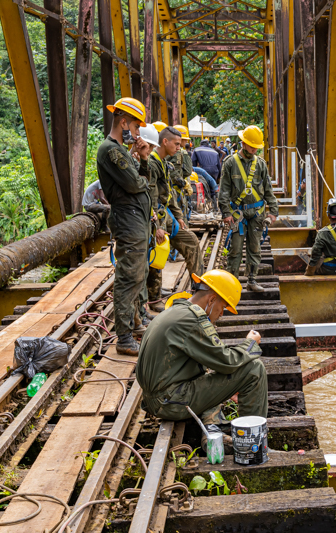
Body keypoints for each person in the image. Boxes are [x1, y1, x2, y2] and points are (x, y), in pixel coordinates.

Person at [137, 270, 268, 432]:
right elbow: (226, 362)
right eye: (223, 307)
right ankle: (252, 439)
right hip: (169, 402)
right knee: (254, 369)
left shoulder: (176, 310)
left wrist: (227, 388)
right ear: (212, 299)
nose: (221, 314)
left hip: (157, 400)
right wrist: (250, 344)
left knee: (243, 370)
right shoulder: (193, 319)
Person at [97, 97, 154, 355]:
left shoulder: (124, 151)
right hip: (128, 219)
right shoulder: (112, 150)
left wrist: (142, 158)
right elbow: (134, 184)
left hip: (137, 219)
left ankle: (137, 321)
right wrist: (140, 179)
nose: (138, 132)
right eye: (136, 126)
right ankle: (123, 338)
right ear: (123, 122)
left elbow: (141, 178)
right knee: (128, 277)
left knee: (139, 274)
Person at [145, 125, 205, 312]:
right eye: (177, 144)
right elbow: (151, 200)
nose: (179, 147)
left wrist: (179, 217)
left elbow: (168, 194)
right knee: (157, 254)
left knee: (192, 242)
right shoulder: (152, 164)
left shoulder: (164, 163)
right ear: (165, 141)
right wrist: (158, 227)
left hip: (167, 217)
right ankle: (154, 300)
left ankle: (199, 289)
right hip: (156, 219)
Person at [219, 125, 278, 292]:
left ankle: (252, 280)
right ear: (243, 143)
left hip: (257, 213)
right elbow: (223, 190)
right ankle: (232, 283)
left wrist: (273, 210)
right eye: (251, 146)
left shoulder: (260, 164)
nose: (254, 150)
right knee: (235, 249)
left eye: (256, 148)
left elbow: (268, 189)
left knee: (255, 248)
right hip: (237, 213)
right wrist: (225, 212)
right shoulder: (230, 163)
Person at [170, 125, 194, 222]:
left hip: (175, 191)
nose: (186, 142)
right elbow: (187, 171)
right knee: (180, 219)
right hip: (175, 191)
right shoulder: (179, 153)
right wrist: (184, 184)